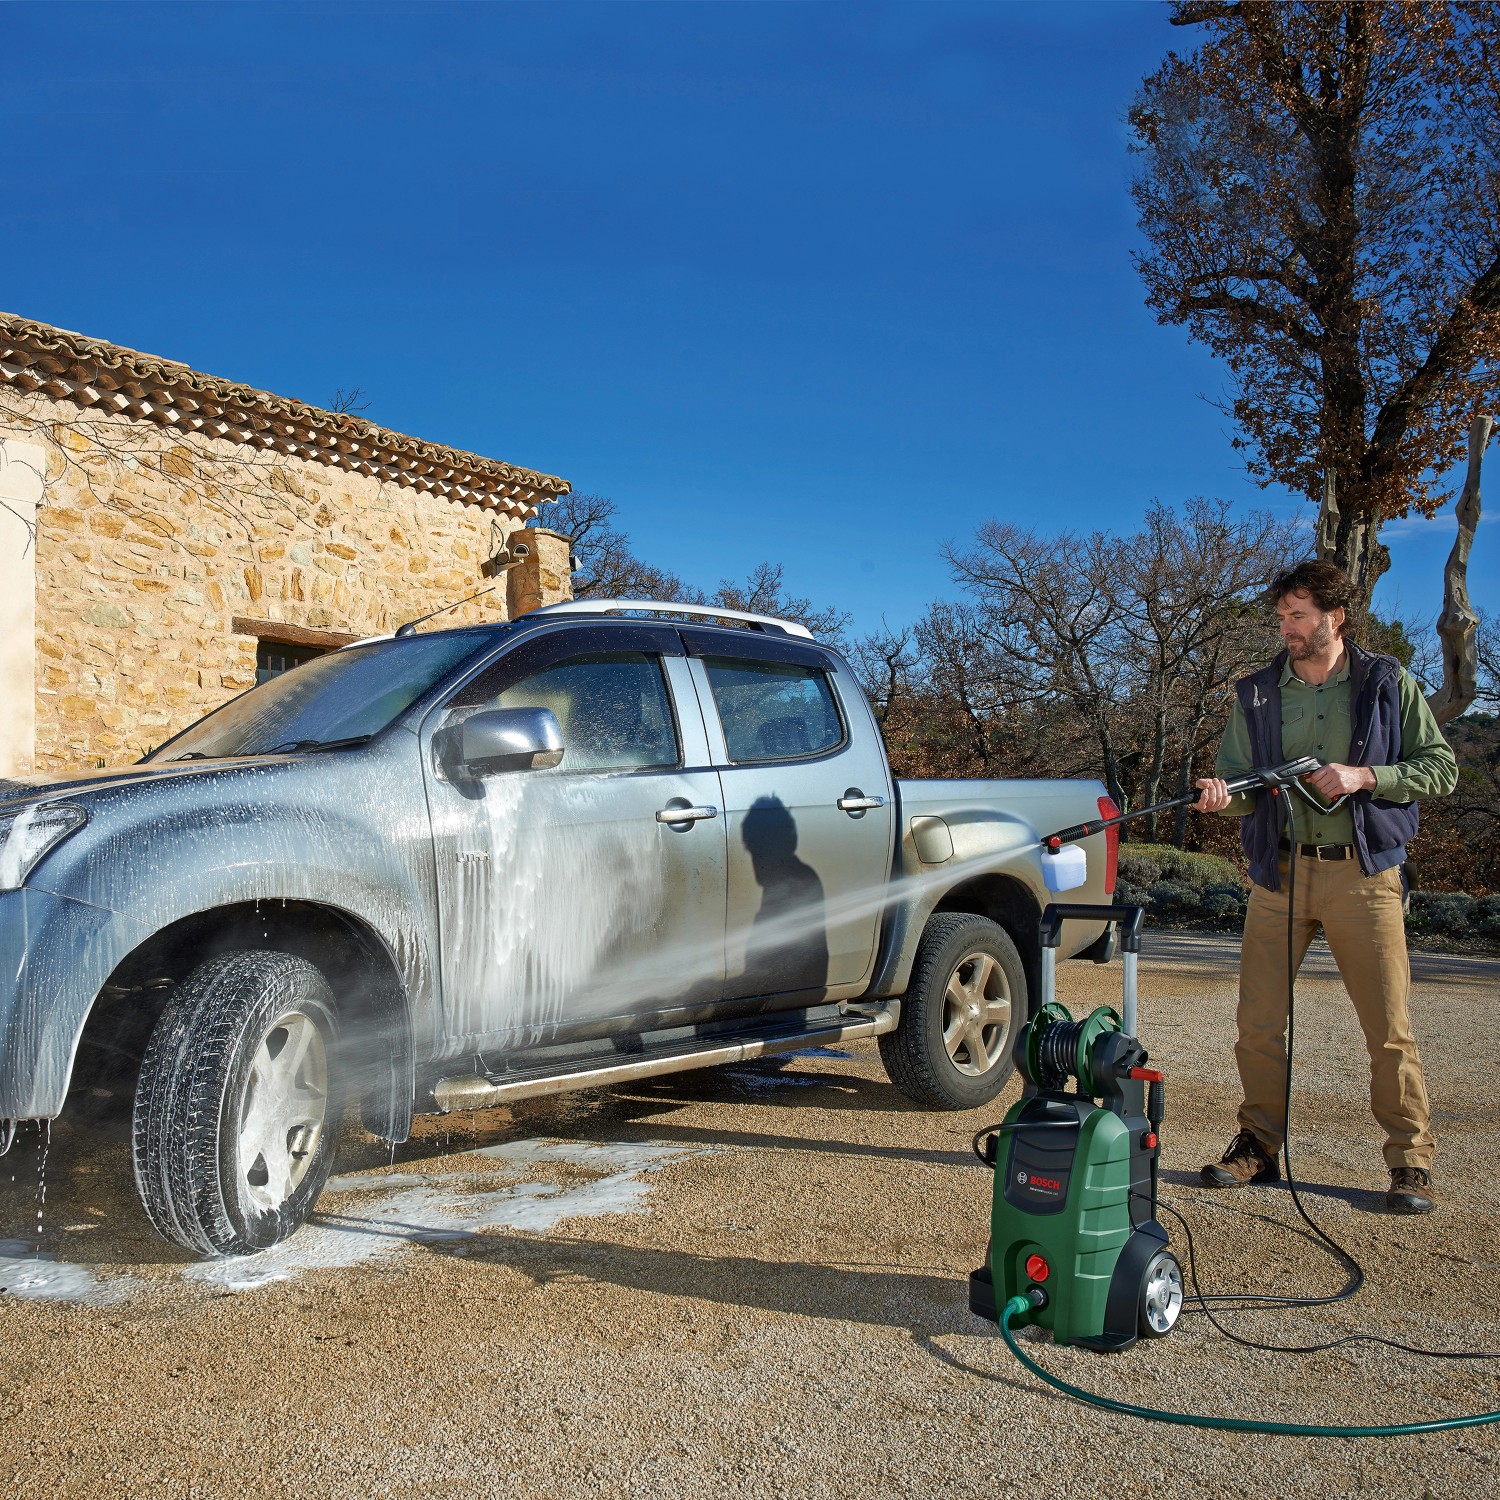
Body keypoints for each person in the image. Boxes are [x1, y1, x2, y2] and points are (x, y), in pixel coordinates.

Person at [1194, 560, 1457, 1214]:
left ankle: (1411, 1162)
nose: (1286, 627)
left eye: (1299, 615)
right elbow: (1239, 789)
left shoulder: (1385, 682)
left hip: (1362, 877)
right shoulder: (1255, 693)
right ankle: (1258, 1146)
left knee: (1387, 1028)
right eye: (1282, 616)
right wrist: (1219, 797)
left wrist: (1365, 777)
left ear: (1335, 617)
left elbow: (1441, 769)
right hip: (1279, 876)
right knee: (1257, 1023)